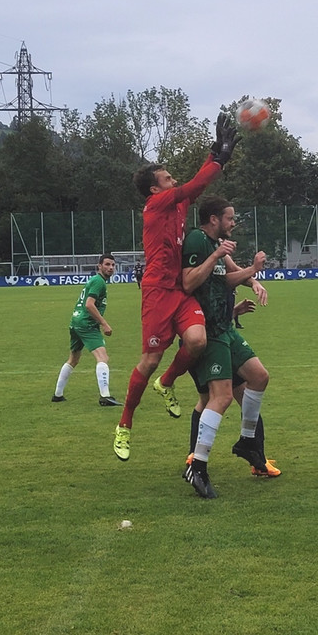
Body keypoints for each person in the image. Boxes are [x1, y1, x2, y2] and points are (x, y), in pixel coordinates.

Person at [112, 113, 240, 462]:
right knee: (149, 359)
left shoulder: (177, 202)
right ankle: (124, 425)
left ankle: (167, 382)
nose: (175, 180)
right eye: (168, 178)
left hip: (180, 291)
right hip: (157, 291)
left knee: (197, 340)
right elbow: (195, 185)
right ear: (155, 190)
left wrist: (214, 154)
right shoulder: (156, 204)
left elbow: (195, 185)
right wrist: (220, 158)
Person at [179, 196, 271, 498]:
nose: (233, 223)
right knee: (220, 397)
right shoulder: (197, 239)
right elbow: (189, 282)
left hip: (224, 328)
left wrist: (252, 278)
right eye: (230, 218)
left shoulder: (217, 244)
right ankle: (198, 466)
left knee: (259, 377)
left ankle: (247, 442)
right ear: (214, 219)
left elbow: (229, 277)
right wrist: (229, 259)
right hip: (207, 331)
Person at [51, 253, 120, 405]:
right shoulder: (99, 282)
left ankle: (57, 395)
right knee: (103, 357)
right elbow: (89, 304)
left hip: (76, 321)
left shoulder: (95, 280)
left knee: (73, 359)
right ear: (99, 266)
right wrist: (104, 323)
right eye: (107, 264)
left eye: (113, 265)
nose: (111, 268)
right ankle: (105, 396)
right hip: (87, 324)